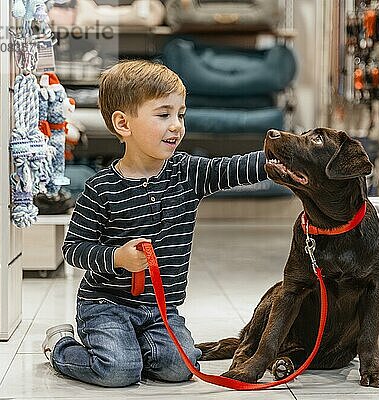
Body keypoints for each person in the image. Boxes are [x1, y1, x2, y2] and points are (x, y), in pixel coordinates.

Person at [42, 60, 268, 387]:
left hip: (161, 310)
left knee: (181, 367)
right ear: (123, 124)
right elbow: (73, 249)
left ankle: (137, 350)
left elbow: (231, 169)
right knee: (117, 370)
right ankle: (61, 345)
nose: (176, 125)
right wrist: (116, 257)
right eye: (163, 115)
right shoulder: (100, 188)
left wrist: (279, 156)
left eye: (181, 114)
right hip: (106, 305)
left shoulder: (186, 172)